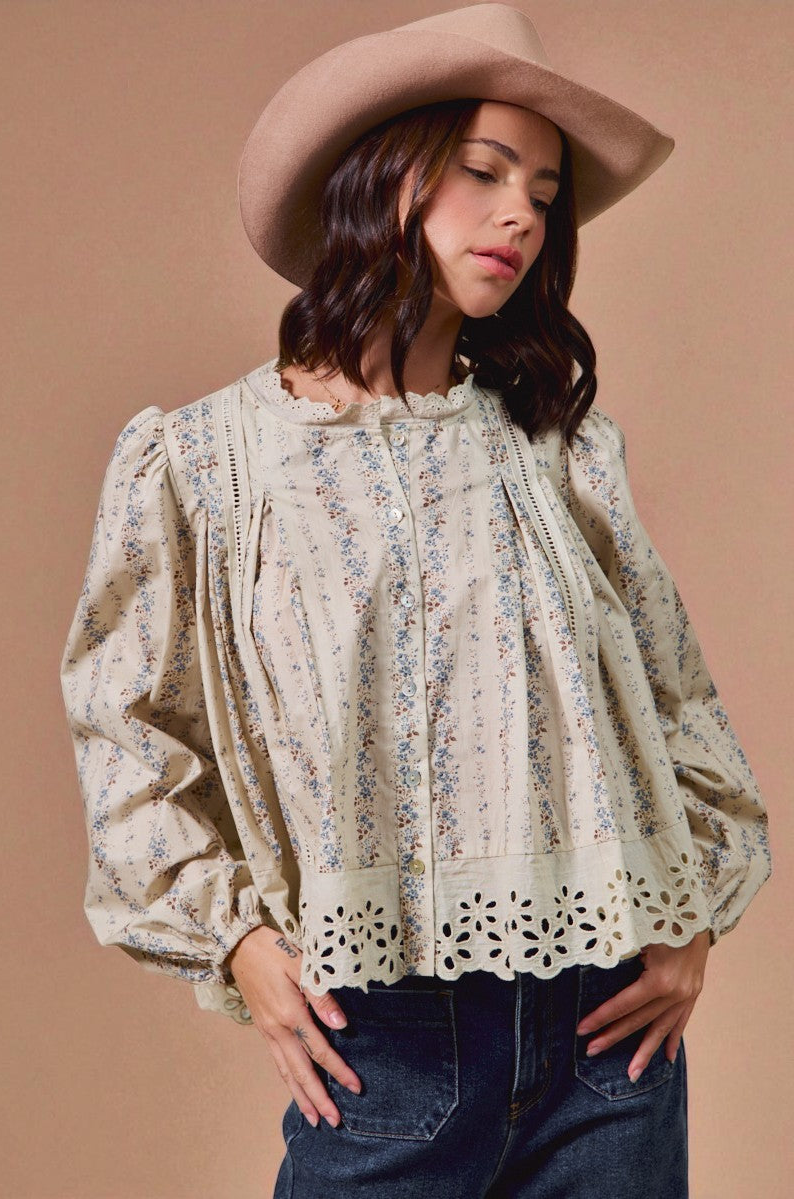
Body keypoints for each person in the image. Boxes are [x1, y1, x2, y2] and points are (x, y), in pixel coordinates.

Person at [59, 5, 772, 1196]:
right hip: (378, 1045)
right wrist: (236, 940)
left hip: (607, 1039)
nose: (521, 217)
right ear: (385, 179)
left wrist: (691, 915)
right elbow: (125, 736)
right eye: (484, 170)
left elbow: (674, 693)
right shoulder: (205, 464)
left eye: (543, 194)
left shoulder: (560, 452)